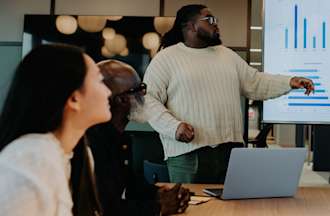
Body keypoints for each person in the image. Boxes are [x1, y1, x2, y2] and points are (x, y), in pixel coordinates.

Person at [142, 4, 315, 184]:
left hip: (231, 151)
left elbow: (255, 82)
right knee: (192, 209)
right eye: (210, 20)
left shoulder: (226, 55)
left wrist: (289, 82)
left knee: (231, 208)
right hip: (188, 154)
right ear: (190, 25)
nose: (216, 24)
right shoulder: (166, 59)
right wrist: (174, 127)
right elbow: (148, 101)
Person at [0, 44, 112, 216]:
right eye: (99, 80)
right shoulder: (31, 159)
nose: (108, 92)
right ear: (74, 98)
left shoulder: (77, 155)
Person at [85, 60, 190, 216]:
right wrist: (158, 209)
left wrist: (160, 193)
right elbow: (105, 207)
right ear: (121, 100)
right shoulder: (94, 142)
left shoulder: (120, 138)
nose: (144, 94)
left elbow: (131, 186)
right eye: (139, 89)